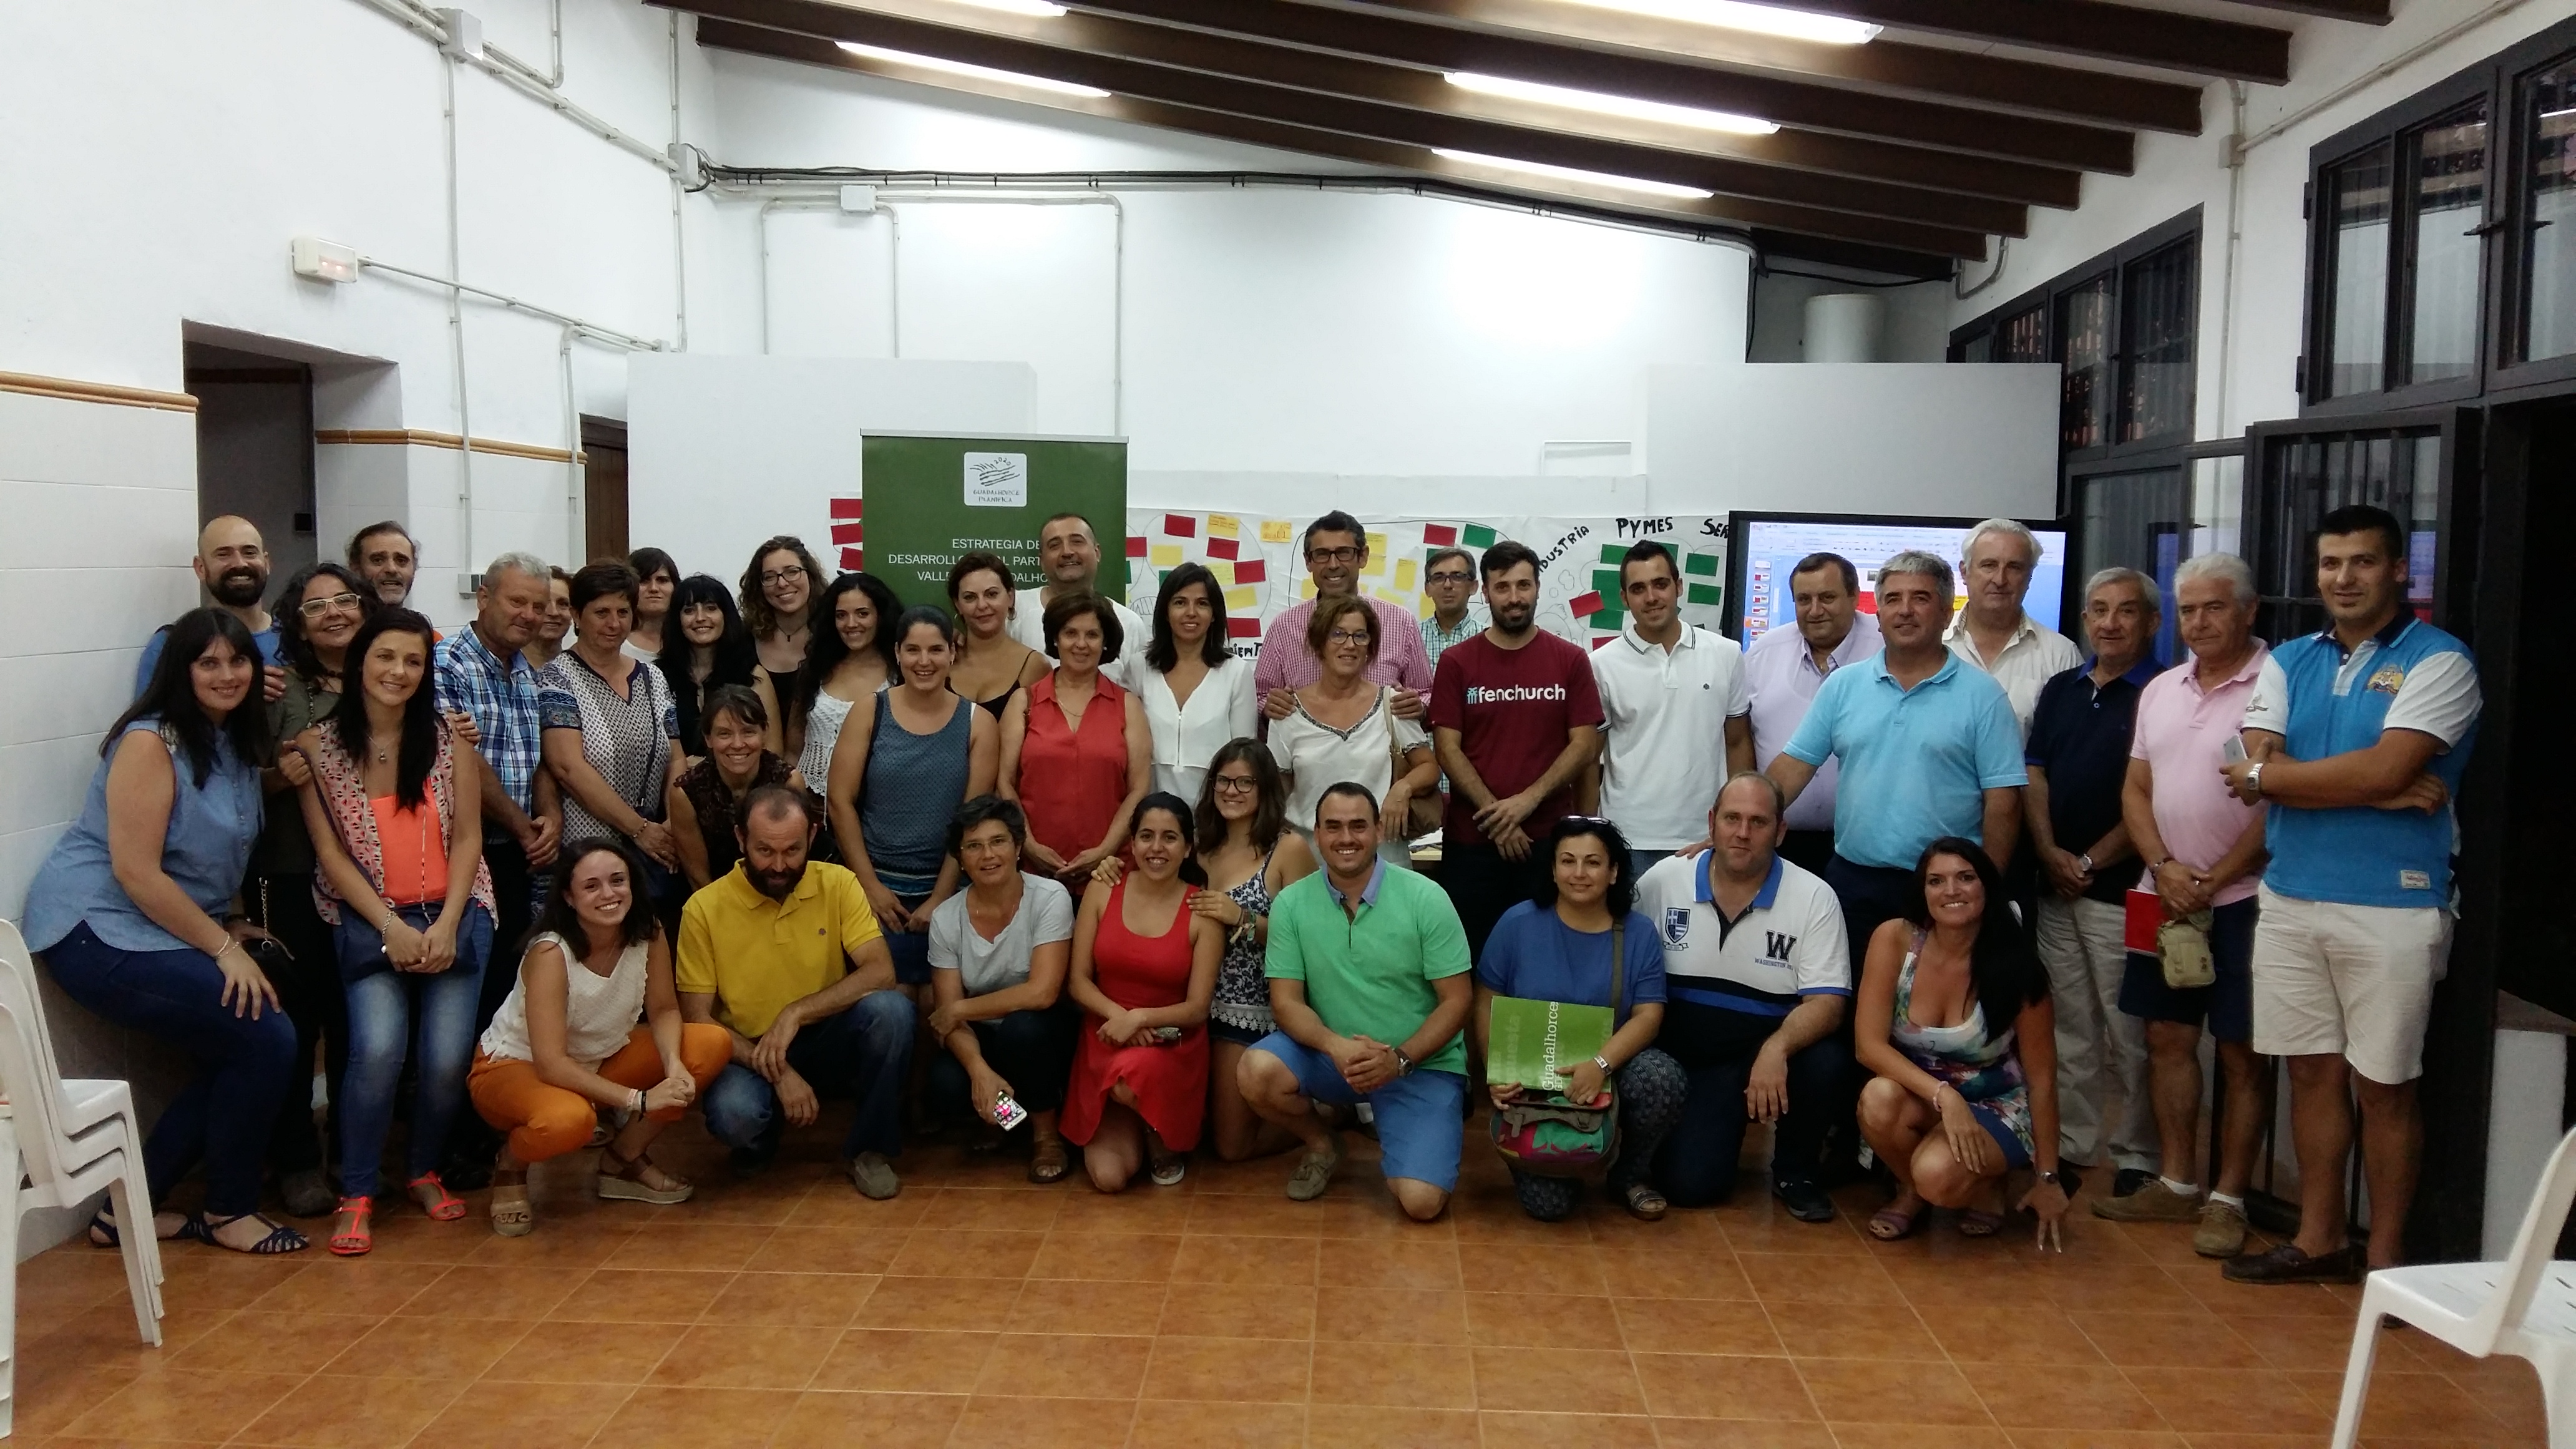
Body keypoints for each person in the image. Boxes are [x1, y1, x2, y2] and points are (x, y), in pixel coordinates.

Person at [2220, 504, 2480, 1284]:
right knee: (2310, 1073)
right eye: (2332, 564)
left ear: (2400, 570)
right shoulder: (2291, 657)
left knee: (2385, 1086)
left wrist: (2327, 779)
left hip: (2393, 905)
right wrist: (2370, 785)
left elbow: (2375, 768)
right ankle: (2321, 1236)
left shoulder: (2442, 662)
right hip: (2292, 895)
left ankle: (2391, 1261)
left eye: (2363, 562)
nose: (2344, 578)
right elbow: (2249, 767)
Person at [27, 608, 307, 1255]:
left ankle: (125, 1210)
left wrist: (225, 923)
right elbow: (137, 872)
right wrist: (221, 949)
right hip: (93, 930)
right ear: (180, 671)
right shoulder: (152, 741)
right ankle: (231, 1209)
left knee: (241, 1048)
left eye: (238, 661)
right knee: (265, 1038)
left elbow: (205, 856)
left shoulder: (233, 740)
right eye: (208, 662)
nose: (227, 674)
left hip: (161, 924)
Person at [295, 608, 495, 1254]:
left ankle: (422, 1170)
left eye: (413, 661)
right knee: (377, 1053)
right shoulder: (316, 747)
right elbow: (330, 856)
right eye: (385, 657)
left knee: (443, 1063)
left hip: (455, 914)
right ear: (359, 663)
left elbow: (468, 836)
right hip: (369, 921)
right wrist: (390, 926)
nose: (398, 672)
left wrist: (445, 922)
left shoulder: (450, 738)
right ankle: (357, 1191)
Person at [2094, 552, 2273, 1258]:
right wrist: (2166, 868)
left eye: (2216, 607)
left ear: (2248, 611)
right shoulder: (2163, 688)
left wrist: (2217, 874)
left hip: (2247, 899)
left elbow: (2277, 793)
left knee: (2241, 1050)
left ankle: (2228, 1198)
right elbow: (2136, 791)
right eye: (2190, 609)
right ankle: (2176, 1183)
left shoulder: (2275, 686)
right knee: (2165, 1040)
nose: (2200, 622)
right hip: (2159, 895)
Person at [1769, 550, 2024, 983]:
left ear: (1946, 613)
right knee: (1845, 1010)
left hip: (1943, 890)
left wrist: (1988, 891)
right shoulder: (1844, 686)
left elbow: (2004, 804)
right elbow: (1792, 768)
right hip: (1853, 884)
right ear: (1878, 612)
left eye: (1921, 598)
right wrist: (1738, 822)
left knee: (1928, 1017)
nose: (1905, 610)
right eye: (1892, 599)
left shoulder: (1984, 696)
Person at [467, 839, 730, 1236]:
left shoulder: (649, 931)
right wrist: (639, 1099)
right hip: (517, 1068)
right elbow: (552, 1062)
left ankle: (623, 1158)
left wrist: (674, 1066)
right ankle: (511, 1166)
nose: (609, 894)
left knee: (710, 1043)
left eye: (617, 881)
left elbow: (663, 1010)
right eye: (592, 886)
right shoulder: (550, 954)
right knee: (572, 1121)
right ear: (569, 898)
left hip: (600, 1058)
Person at [1241, 783, 1473, 1220]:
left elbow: (1458, 1001)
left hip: (1416, 1064)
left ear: (1379, 831)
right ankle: (1324, 1144)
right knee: (1257, 1072)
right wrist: (1335, 1046)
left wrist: (1400, 1060)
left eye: (1357, 826)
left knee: (1421, 1204)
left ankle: (1412, 1125)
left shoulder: (1427, 898)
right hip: (1335, 1057)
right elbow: (1286, 1002)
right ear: (1317, 833)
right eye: (1333, 827)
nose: (1345, 838)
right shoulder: (1292, 904)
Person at [679, 786, 918, 1198]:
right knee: (735, 1114)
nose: (778, 865)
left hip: (824, 1034)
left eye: (792, 851)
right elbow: (697, 1020)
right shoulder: (702, 909)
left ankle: (869, 1150)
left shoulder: (839, 883)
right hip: (748, 1049)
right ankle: (760, 1140)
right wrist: (778, 1069)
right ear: (740, 840)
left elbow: (881, 972)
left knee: (893, 1012)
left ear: (811, 836)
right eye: (764, 851)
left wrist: (795, 1014)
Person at [1634, 775, 1852, 1221]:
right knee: (1691, 1187)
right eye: (1732, 819)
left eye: (1758, 822)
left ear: (1781, 831)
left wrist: (1777, 1048)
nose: (1742, 832)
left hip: (1761, 1052)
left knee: (1825, 1060)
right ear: (1712, 823)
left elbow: (1828, 1005)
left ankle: (1796, 1172)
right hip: (1687, 1059)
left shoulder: (1815, 897)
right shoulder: (1664, 880)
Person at [2024, 567, 2164, 1198]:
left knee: (2129, 1029)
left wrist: (2087, 863)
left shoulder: (2162, 695)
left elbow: (2153, 800)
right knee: (2071, 1024)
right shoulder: (2062, 688)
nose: (2110, 623)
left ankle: (2138, 1153)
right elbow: (2035, 774)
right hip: (2055, 886)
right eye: (2098, 610)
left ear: (2152, 623)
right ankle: (2077, 1144)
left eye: (2126, 611)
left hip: (2123, 891)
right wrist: (2051, 853)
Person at [1854, 839, 2071, 1246]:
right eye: (1936, 881)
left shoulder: (2018, 967)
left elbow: (2042, 1079)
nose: (1951, 891)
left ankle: (1976, 1180)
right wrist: (1944, 1097)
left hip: (1997, 1103)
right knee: (1877, 1098)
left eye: (1965, 878)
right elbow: (1868, 1046)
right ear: (1923, 892)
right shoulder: (1895, 940)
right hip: (1927, 1094)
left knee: (1937, 1176)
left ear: (1987, 887)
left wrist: (2048, 1177)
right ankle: (1915, 1189)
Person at [1473, 816, 1683, 1222]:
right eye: (1567, 861)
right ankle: (1564, 1159)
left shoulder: (1639, 933)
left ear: (1614, 871)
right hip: (1533, 1080)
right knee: (1549, 1208)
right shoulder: (1517, 924)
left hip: (1608, 1067)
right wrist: (1494, 1069)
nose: (1579, 873)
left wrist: (1600, 1064)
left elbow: (1649, 1015)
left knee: (1662, 1077)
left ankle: (1630, 1174)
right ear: (1552, 869)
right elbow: (1486, 1001)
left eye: (1592, 862)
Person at [246, 562, 374, 1217]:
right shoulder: (273, 689)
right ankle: (296, 1161)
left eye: (346, 600)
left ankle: (354, 1158)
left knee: (356, 1023)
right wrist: (278, 777)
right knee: (298, 1022)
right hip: (291, 872)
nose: (334, 613)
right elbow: (244, 778)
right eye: (317, 605)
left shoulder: (388, 677)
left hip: (375, 878)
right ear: (296, 621)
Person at [432, 552, 564, 1188]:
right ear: (483, 597)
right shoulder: (448, 667)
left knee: (507, 1000)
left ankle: (490, 1130)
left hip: (520, 854)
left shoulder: (525, 673)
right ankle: (453, 1148)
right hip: (468, 854)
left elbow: (536, 756)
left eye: (539, 606)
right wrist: (519, 823)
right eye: (518, 602)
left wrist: (548, 816)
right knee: (473, 1000)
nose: (530, 615)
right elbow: (462, 765)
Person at [1429, 540, 1604, 960]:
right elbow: (1447, 749)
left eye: (1523, 585)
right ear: (1485, 592)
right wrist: (1500, 818)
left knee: (1545, 959)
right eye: (1503, 587)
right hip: (1472, 846)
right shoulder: (1456, 662)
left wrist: (1527, 801)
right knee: (1471, 961)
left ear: (1538, 588)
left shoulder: (1571, 660)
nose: (1514, 597)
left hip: (1549, 844)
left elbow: (1584, 744)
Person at [827, 606, 998, 988]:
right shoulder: (871, 711)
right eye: (913, 650)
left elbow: (972, 821)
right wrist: (869, 886)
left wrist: (941, 896)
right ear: (897, 653)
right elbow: (839, 801)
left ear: (952, 653)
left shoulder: (979, 723)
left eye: (936, 650)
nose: (924, 662)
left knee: (939, 1009)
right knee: (890, 1004)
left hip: (951, 889)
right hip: (875, 890)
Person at [1063, 793, 1225, 1190]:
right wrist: (1120, 1018)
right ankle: (1136, 1116)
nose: (1156, 848)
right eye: (1146, 836)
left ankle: (1161, 1134)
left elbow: (1197, 1008)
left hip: (1170, 1042)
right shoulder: (1103, 890)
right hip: (1106, 1035)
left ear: (1188, 848)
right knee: (1108, 1178)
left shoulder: (1202, 911)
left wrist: (1142, 1019)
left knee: (1131, 1077)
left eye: (1170, 838)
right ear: (1131, 843)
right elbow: (1078, 982)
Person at [925, 796, 1082, 1183]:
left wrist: (961, 1010)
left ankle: (1046, 1135)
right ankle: (1009, 1124)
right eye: (974, 846)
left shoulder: (1049, 897)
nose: (988, 855)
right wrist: (980, 1070)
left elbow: (1042, 992)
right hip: (983, 1037)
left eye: (998, 842)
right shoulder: (946, 918)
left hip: (1044, 1031)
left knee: (1022, 1030)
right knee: (945, 1083)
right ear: (960, 859)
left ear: (1017, 847)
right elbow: (947, 1021)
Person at [540, 559, 686, 935]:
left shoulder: (652, 676)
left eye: (623, 612)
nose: (614, 622)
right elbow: (567, 767)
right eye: (601, 612)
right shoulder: (556, 677)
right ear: (576, 614)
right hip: (587, 853)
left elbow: (676, 757)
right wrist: (639, 829)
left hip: (656, 850)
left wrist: (673, 824)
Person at [1188, 741, 1315, 1161]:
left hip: (1251, 1009)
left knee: (1231, 1148)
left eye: (1246, 781)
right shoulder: (1195, 846)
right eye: (1223, 780)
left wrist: (1240, 917)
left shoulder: (1288, 849)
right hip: (1188, 1006)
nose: (1231, 790)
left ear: (1266, 790)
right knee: (1192, 1132)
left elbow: (1310, 942)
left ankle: (1326, 1117)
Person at [1593, 540, 1752, 876]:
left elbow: (1737, 742)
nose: (1651, 597)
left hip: (1706, 837)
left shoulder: (1726, 654)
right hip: (1627, 839)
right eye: (1638, 589)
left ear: (1679, 586)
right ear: (1624, 598)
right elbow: (1589, 760)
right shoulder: (1601, 664)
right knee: (1629, 930)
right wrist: (1591, 832)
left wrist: (1736, 825)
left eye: (1661, 584)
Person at [998, 592, 1152, 887]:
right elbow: (1005, 783)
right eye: (1070, 633)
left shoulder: (1127, 705)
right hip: (1034, 873)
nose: (1081, 644)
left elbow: (1139, 788)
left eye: (1092, 635)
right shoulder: (1025, 701)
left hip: (1109, 872)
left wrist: (1105, 850)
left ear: (1106, 642)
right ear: (1055, 638)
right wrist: (1028, 844)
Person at [1743, 552, 1880, 878]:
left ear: (1854, 596)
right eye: (1804, 599)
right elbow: (1740, 738)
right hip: (1780, 841)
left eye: (1827, 598)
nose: (1815, 610)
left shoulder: (1887, 649)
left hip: (1864, 848)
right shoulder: (1763, 654)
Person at [1267, 594, 1437, 856]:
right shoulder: (1288, 712)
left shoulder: (1391, 703)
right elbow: (1277, 792)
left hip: (1383, 853)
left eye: (1360, 636)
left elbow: (1428, 767)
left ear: (1370, 647)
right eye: (1338, 634)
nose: (1350, 645)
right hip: (1310, 856)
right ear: (1319, 643)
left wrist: (1403, 788)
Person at [1256, 511, 1433, 722]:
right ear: (1308, 561)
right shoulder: (1285, 626)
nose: (1333, 565)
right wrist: (1268, 706)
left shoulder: (1399, 621)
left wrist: (1420, 707)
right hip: (1306, 751)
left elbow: (1426, 693)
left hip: (1383, 752)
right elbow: (1260, 696)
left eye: (1344, 553)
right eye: (1322, 554)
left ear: (1363, 556)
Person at [1946, 519, 2082, 738]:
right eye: (1989, 565)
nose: (2000, 580)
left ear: (2030, 576)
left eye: (2014, 567)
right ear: (1964, 571)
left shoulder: (2061, 656)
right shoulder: (1932, 645)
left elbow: (2067, 748)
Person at [1138, 562, 1257, 802]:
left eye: (1202, 604)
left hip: (1214, 814)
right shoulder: (1139, 668)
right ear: (1165, 611)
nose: (1191, 612)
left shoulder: (1236, 672)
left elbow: (1244, 757)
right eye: (1180, 602)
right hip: (1152, 812)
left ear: (1214, 615)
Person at [136, 515, 287, 697]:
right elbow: (149, 722)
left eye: (249, 553)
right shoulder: (169, 644)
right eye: (224, 554)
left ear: (267, 563)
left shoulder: (296, 637)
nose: (240, 563)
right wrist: (234, 690)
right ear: (200, 568)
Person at [668, 685, 802, 890]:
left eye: (748, 732)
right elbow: (699, 878)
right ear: (708, 739)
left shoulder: (789, 783)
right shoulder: (685, 794)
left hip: (782, 890)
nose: (738, 744)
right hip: (716, 897)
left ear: (765, 732)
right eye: (725, 734)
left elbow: (797, 861)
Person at [1007, 512, 1146, 690]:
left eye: (1077, 542)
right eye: (1055, 545)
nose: (1067, 552)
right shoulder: (1012, 610)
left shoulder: (1130, 624)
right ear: (1041, 561)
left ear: (1097, 552)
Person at [789, 570, 900, 789]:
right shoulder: (815, 670)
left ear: (880, 615)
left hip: (875, 803)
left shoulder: (901, 673)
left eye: (862, 614)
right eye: (841, 615)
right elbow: (792, 751)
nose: (851, 624)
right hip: (810, 801)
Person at [656, 573, 760, 758]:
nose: (700, 618)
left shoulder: (752, 673)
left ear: (726, 616)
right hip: (673, 783)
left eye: (711, 608)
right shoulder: (657, 676)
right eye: (689, 610)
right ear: (676, 620)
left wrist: (706, 770)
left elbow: (773, 749)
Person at [739, 535, 829, 748]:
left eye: (792, 571)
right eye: (769, 577)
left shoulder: (833, 634)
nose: (782, 583)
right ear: (758, 586)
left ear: (810, 575)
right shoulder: (742, 639)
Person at [947, 551, 1050, 717]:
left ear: (1010, 597)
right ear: (957, 604)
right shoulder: (943, 658)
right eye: (970, 597)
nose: (982, 605)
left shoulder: (1035, 666)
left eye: (992, 594)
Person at [1418, 544, 1480, 672]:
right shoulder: (1412, 637)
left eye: (1457, 576)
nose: (1447, 585)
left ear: (1473, 587)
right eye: (1438, 578)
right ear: (1427, 589)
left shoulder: (1489, 637)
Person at [348, 522, 419, 609]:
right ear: (356, 569)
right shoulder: (338, 620)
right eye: (378, 560)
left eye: (401, 561)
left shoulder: (418, 622)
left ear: (414, 569)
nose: (392, 569)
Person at [625, 546, 679, 661]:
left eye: (662, 580)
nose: (654, 588)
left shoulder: (690, 644)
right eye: (643, 581)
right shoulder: (613, 644)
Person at [527, 566, 574, 671]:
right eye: (543, 603)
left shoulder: (579, 673)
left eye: (563, 604)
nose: (554, 613)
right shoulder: (505, 668)